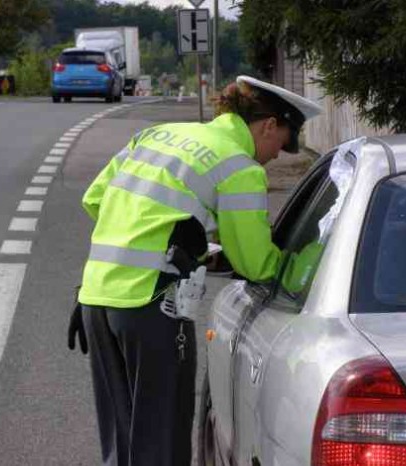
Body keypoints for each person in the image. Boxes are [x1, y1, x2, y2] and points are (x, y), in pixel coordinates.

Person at [68, 75, 322, 466]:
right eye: (280, 143)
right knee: (161, 444)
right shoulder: (240, 167)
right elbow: (257, 264)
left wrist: (166, 242)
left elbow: (95, 200)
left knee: (123, 443)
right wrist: (310, 261)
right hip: (153, 307)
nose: (275, 156)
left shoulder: (157, 136)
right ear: (268, 124)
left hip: (95, 300)